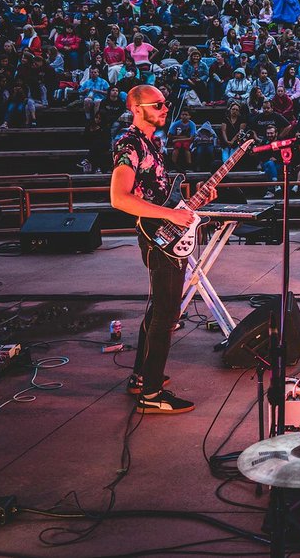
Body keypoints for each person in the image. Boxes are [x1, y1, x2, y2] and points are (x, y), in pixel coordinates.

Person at [110, 84, 211, 414]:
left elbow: (159, 195)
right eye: (157, 105)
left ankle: (141, 377)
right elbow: (119, 198)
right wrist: (172, 215)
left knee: (159, 309)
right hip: (157, 237)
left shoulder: (151, 144)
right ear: (137, 109)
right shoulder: (129, 144)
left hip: (165, 233)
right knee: (166, 313)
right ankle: (151, 395)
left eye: (165, 104)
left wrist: (192, 202)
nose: (165, 109)